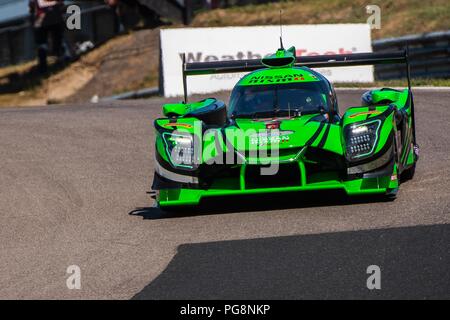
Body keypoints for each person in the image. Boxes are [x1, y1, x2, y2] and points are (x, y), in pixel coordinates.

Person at [29, 0, 65, 73]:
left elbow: (32, 6)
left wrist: (33, 15)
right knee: (57, 39)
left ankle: (43, 65)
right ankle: (60, 59)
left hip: (42, 18)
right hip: (55, 17)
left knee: (42, 43)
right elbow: (61, 4)